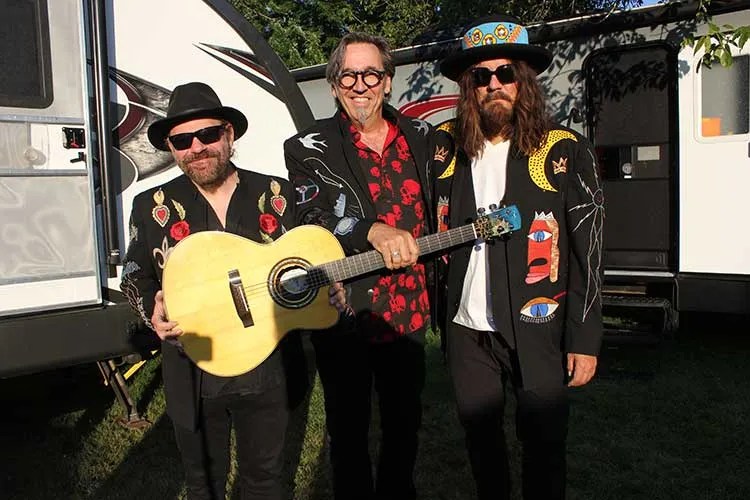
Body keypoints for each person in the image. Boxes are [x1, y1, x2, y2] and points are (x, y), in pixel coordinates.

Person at [119, 81, 346, 500]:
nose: (197, 148)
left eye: (207, 134)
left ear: (229, 134)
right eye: (182, 140)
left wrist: (330, 289)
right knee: (203, 483)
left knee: (267, 480)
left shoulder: (276, 193)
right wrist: (150, 306)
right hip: (194, 365)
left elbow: (312, 255)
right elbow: (134, 272)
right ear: (171, 147)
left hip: (268, 366)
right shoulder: (151, 204)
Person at [436, 15, 605, 500]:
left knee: (544, 444)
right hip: (468, 329)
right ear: (469, 88)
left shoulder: (565, 150)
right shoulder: (448, 152)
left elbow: (588, 253)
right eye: (480, 77)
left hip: (539, 322)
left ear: (523, 81)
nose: (494, 84)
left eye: (505, 73)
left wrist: (585, 338)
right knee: (481, 441)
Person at [284, 33, 448, 500]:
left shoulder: (424, 139)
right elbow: (309, 215)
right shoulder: (306, 147)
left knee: (404, 429)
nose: (361, 85)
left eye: (371, 73)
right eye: (348, 75)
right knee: (348, 435)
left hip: (409, 314)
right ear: (334, 86)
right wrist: (369, 230)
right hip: (344, 313)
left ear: (388, 81)